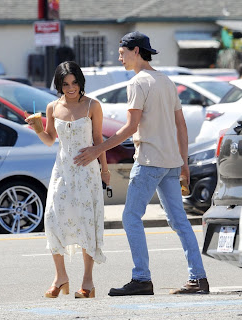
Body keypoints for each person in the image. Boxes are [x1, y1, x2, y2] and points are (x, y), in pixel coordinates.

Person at [74, 31, 209, 296]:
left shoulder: (138, 83)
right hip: (171, 161)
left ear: (136, 51)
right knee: (180, 221)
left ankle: (142, 278)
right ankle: (198, 279)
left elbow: (130, 127)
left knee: (131, 217)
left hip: (149, 161)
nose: (119, 57)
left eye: (122, 52)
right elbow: (181, 125)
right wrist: (184, 163)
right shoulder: (167, 81)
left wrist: (97, 149)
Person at [25, 61, 110, 299]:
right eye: (65, 84)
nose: (70, 88)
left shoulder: (93, 105)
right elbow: (50, 140)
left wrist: (104, 168)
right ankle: (60, 277)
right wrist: (38, 128)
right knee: (52, 218)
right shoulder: (53, 106)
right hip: (62, 171)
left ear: (80, 82)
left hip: (86, 172)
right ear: (59, 85)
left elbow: (98, 139)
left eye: (74, 83)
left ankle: (88, 282)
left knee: (85, 222)